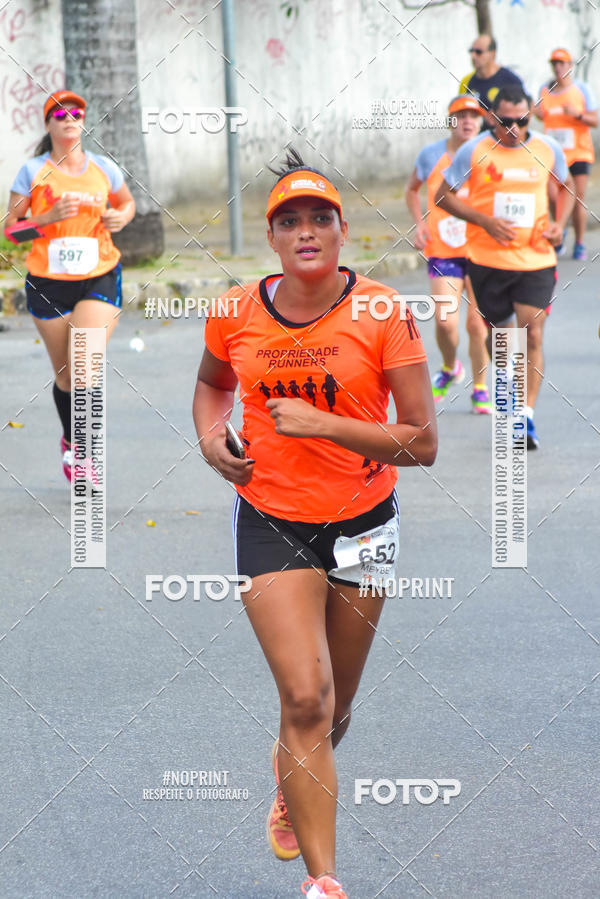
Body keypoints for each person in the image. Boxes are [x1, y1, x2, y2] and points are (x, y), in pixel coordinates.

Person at [193, 150, 437, 898]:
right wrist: (211, 439)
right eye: (289, 220)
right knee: (305, 698)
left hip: (364, 524)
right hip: (272, 519)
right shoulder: (235, 312)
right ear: (272, 237)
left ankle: (291, 772)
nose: (306, 231)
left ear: (342, 231)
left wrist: (323, 423)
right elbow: (211, 387)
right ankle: (324, 883)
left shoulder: (382, 312)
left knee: (335, 709)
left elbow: (421, 442)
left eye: (320, 218)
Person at [434, 85, 574, 449]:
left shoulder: (548, 148)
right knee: (501, 337)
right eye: (506, 120)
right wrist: (484, 221)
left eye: (522, 120)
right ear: (492, 118)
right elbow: (442, 196)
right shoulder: (474, 150)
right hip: (487, 261)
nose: (514, 128)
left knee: (533, 334)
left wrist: (560, 224)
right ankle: (507, 381)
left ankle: (525, 416)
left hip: (536, 259)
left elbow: (568, 187)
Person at [5, 90, 135, 481]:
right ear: (48, 124)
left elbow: (126, 204)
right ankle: (71, 440)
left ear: (83, 121)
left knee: (84, 366)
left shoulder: (104, 169)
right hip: (49, 283)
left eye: (76, 112)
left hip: (99, 275)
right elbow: (11, 231)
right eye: (60, 114)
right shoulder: (32, 172)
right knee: (66, 376)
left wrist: (121, 217)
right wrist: (46, 219)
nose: (69, 118)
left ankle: (85, 455)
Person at [405, 94, 491, 412]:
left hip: (482, 251)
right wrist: (419, 225)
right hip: (443, 250)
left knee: (477, 325)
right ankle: (450, 366)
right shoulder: (431, 155)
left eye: (473, 116)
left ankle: (480, 387)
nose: (468, 121)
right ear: (450, 121)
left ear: (481, 122)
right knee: (444, 322)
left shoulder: (490, 153)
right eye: (461, 115)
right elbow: (411, 190)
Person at [533, 48, 598, 260]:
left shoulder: (581, 89)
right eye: (554, 63)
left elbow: (594, 120)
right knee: (552, 195)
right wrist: (535, 113)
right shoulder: (545, 90)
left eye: (562, 63)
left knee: (578, 199)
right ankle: (560, 227)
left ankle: (579, 243)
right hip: (554, 154)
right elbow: (544, 116)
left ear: (570, 65)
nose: (558, 67)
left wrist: (577, 114)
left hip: (578, 152)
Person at [459, 34, 525, 129]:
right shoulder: (466, 81)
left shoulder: (511, 80)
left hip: (503, 136)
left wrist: (501, 116)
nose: (473, 56)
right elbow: (459, 112)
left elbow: (525, 111)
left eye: (478, 52)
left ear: (492, 54)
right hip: (476, 137)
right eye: (471, 51)